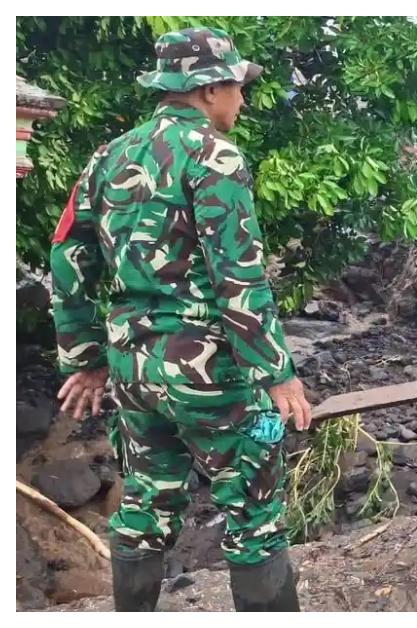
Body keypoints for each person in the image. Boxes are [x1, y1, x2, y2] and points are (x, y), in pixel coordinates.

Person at [49, 27, 310, 612]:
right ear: (210, 89)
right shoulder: (215, 157)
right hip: (208, 372)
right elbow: (238, 276)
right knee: (252, 513)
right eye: (238, 89)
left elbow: (67, 255)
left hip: (133, 370)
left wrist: (85, 361)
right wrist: (277, 373)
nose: (241, 101)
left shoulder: (106, 157)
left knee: (143, 503)